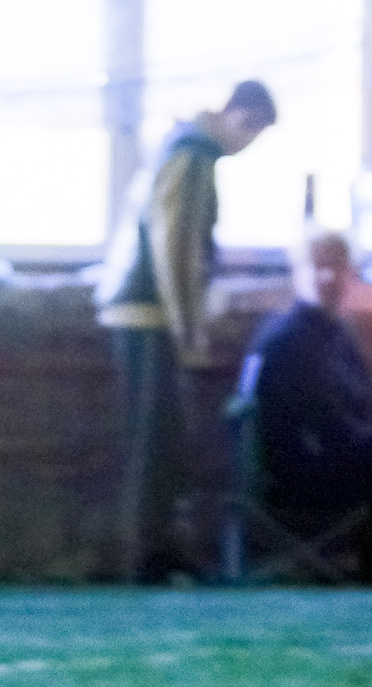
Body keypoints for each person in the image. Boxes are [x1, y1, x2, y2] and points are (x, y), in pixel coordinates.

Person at [96, 80, 278, 582]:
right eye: (253, 133)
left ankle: (159, 549)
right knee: (154, 442)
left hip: (145, 312)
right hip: (146, 314)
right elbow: (173, 244)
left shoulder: (183, 148)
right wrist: (187, 329)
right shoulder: (192, 155)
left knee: (165, 440)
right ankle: (147, 557)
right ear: (241, 118)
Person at [241, 229, 372, 578]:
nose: (327, 277)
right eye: (317, 266)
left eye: (336, 266)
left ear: (349, 273)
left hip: (325, 458)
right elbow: (328, 429)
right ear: (298, 272)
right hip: (301, 475)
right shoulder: (294, 339)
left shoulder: (329, 332)